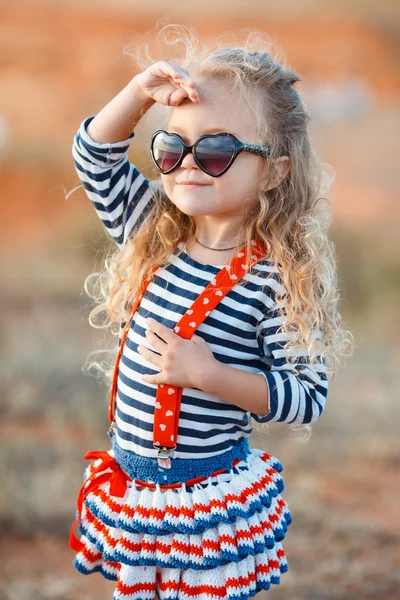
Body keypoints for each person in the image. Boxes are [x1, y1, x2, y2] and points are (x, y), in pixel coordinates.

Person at [68, 25, 352, 600]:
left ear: (274, 170)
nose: (187, 164)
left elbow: (306, 396)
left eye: (218, 150)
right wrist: (138, 93)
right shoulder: (151, 229)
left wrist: (209, 376)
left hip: (204, 496)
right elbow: (94, 156)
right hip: (136, 486)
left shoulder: (273, 280)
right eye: (172, 147)